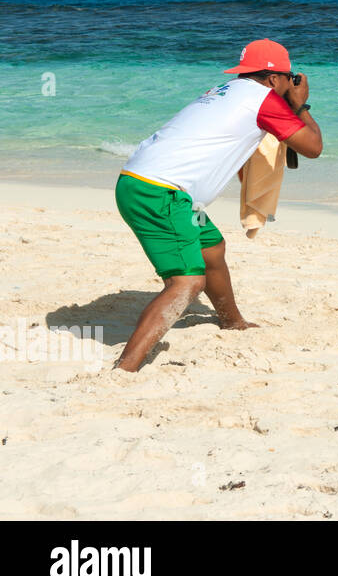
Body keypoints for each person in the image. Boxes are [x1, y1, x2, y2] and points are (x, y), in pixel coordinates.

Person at [113, 39, 322, 371]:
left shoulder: (224, 91)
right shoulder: (265, 100)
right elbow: (312, 147)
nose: (289, 83)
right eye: (288, 77)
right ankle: (125, 369)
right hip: (160, 191)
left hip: (145, 183)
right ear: (272, 79)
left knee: (212, 247)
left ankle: (232, 321)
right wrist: (300, 105)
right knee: (187, 282)